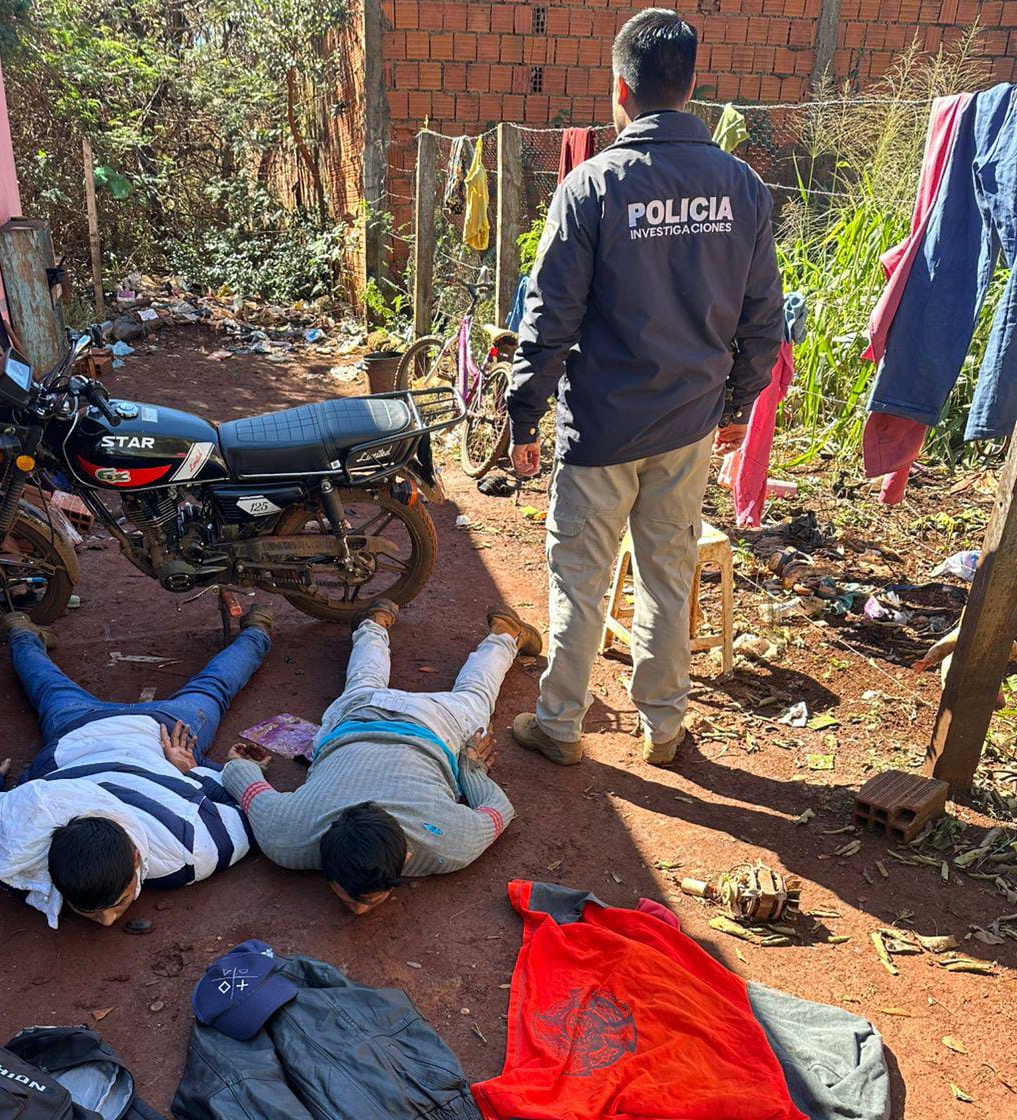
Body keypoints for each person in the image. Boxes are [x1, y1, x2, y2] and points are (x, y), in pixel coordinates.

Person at [506, 8, 783, 767]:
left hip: (601, 427)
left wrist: (524, 417)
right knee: (667, 576)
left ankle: (560, 726)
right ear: (690, 86)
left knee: (580, 580)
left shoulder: (592, 187)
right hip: (689, 425)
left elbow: (550, 318)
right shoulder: (743, 188)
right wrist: (738, 403)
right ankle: (664, 729)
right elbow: (764, 319)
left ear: (620, 89)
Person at [0, 609, 272, 927]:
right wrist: (188, 768)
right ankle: (21, 632)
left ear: (135, 858)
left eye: (115, 902)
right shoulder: (12, 850)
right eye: (90, 909)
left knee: (211, 688)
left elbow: (252, 807)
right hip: (128, 733)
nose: (108, 921)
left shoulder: (193, 848)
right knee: (50, 686)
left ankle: (258, 630)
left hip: (140, 734)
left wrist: (194, 773)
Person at [219, 600, 541, 915]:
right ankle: (375, 623)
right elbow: (237, 772)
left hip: (432, 725)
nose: (359, 910)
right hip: (365, 716)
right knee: (367, 682)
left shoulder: (453, 843)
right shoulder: (283, 834)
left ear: (406, 859)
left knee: (472, 696)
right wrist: (470, 768)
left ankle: (496, 634)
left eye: (365, 899)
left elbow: (499, 809)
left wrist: (469, 766)